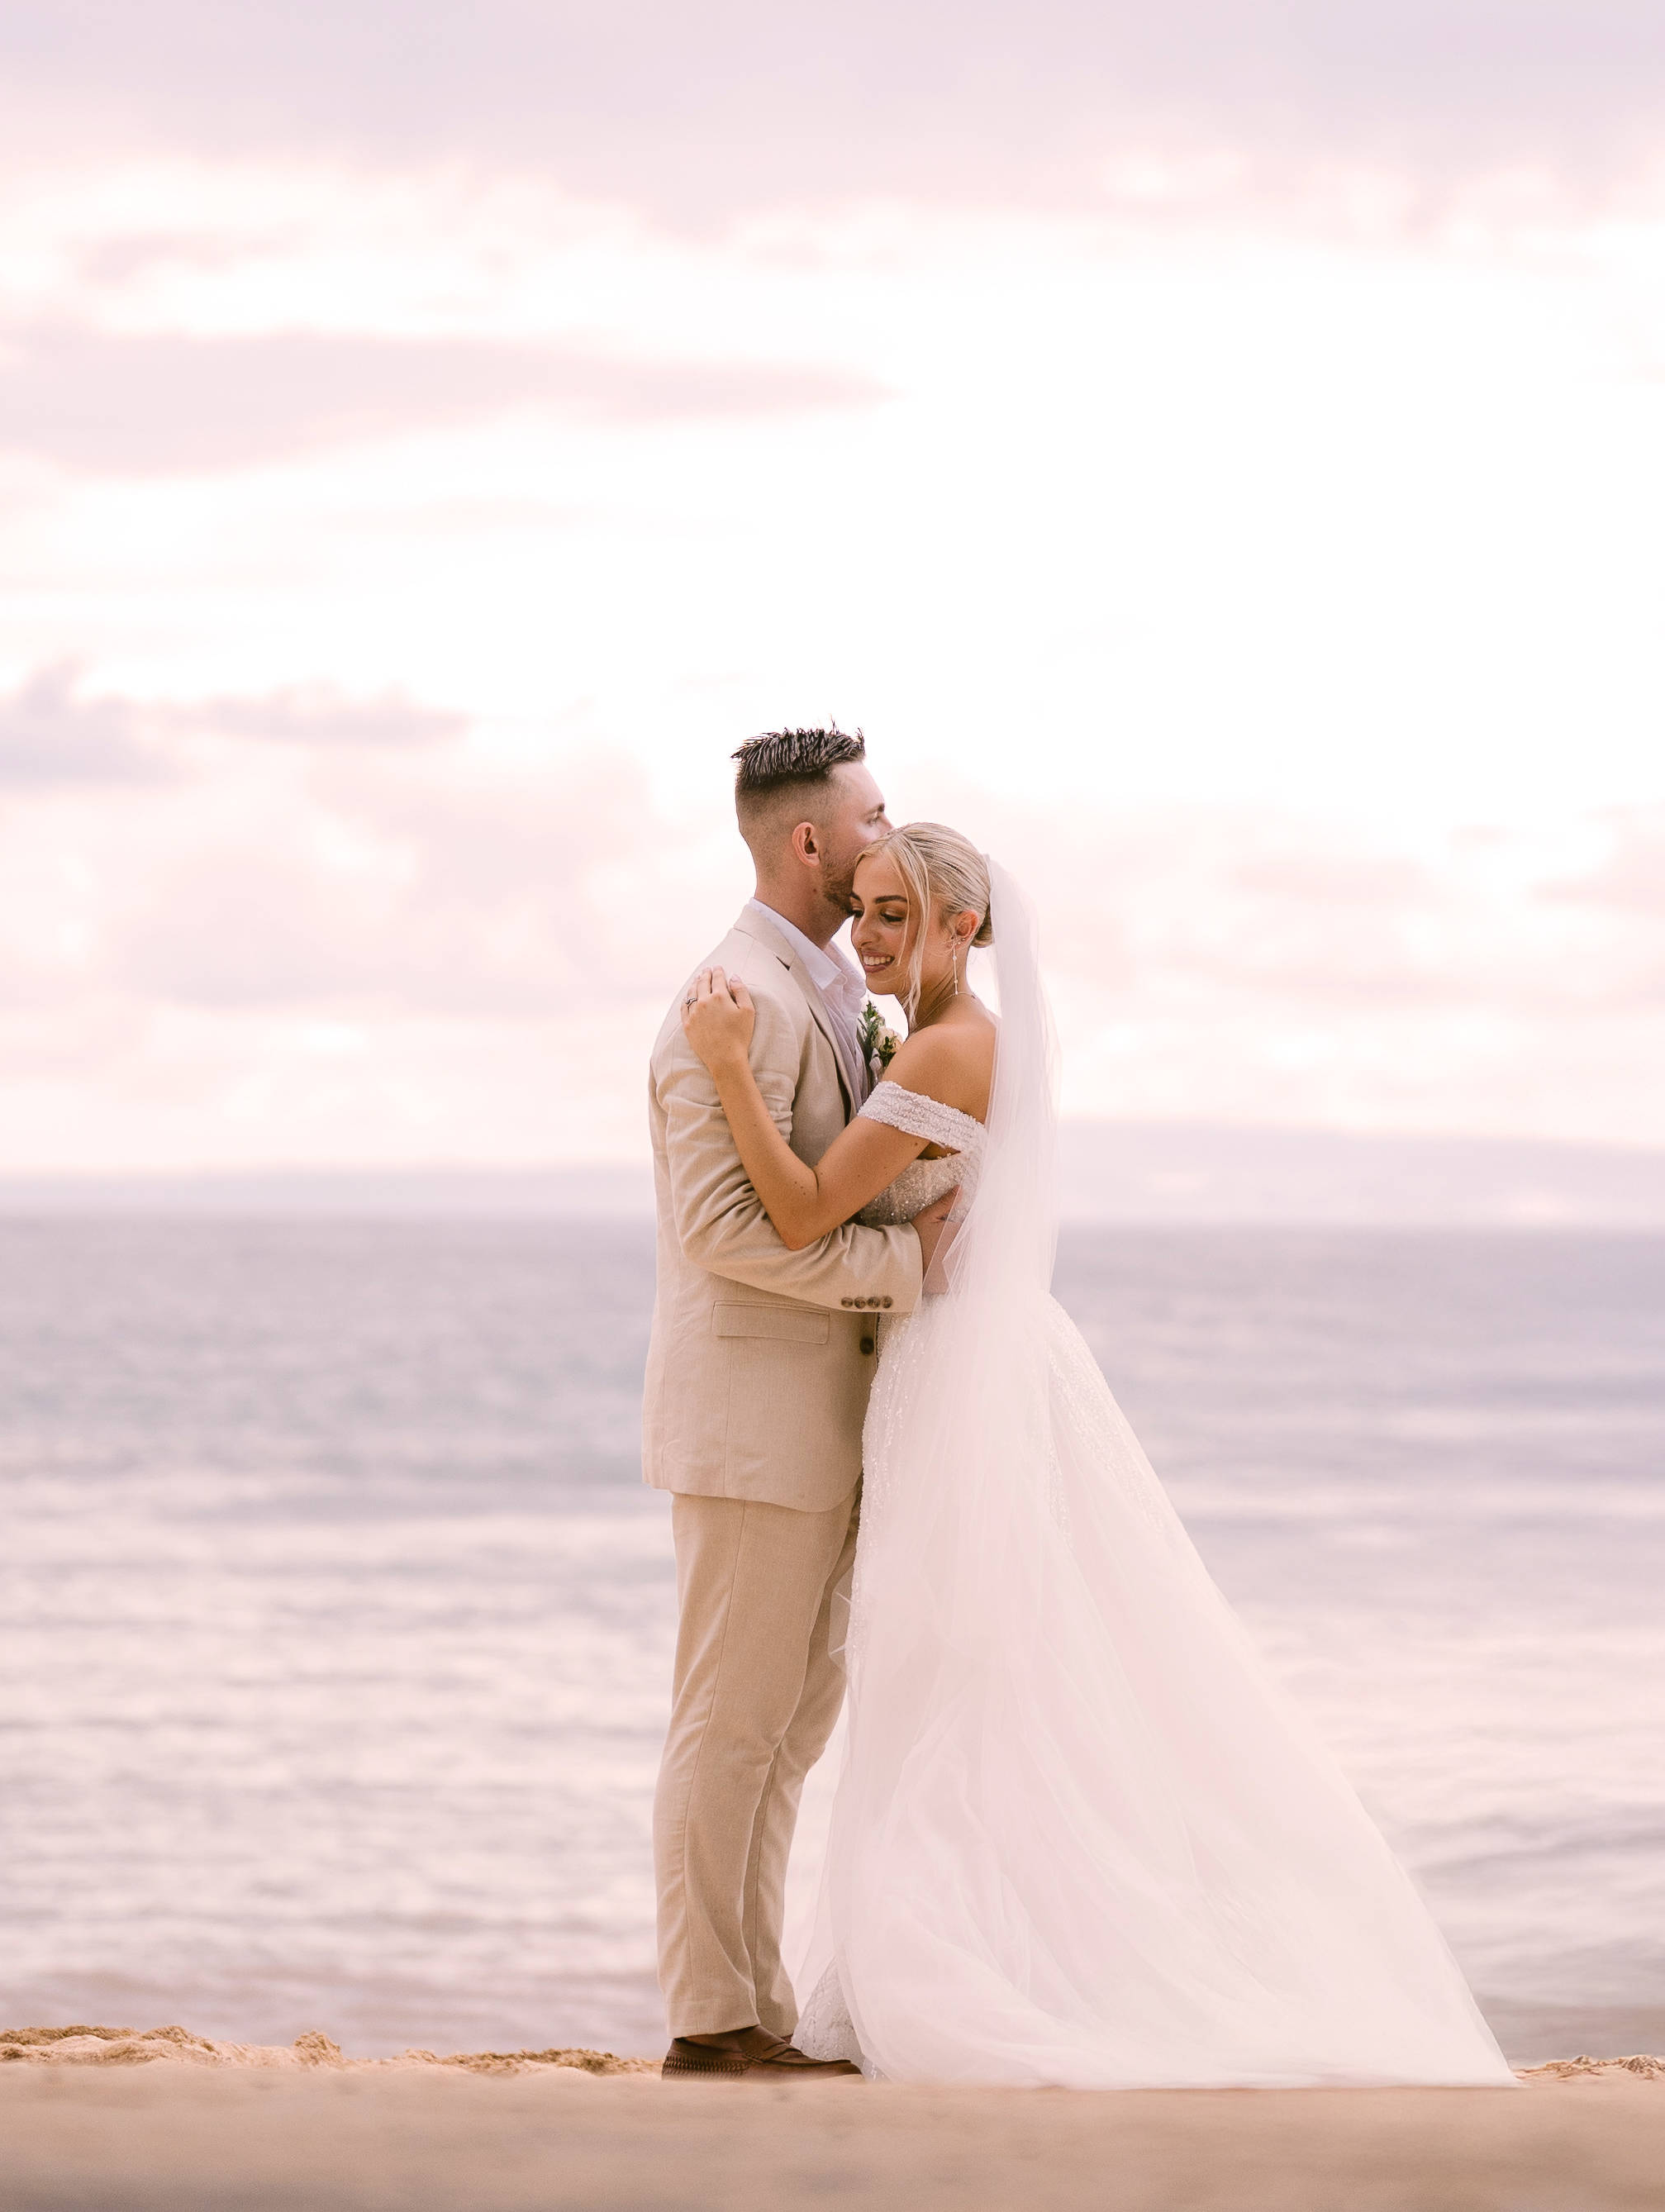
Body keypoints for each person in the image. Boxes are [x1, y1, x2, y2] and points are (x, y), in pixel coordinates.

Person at [680, 821, 1516, 2089]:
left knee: (960, 1673)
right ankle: (948, 1948)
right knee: (958, 1670)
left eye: (899, 912)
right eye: (863, 910)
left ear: (967, 926)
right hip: (955, 1365)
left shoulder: (955, 1047)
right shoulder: (941, 1037)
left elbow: (799, 1210)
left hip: (959, 1372)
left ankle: (971, 1959)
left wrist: (732, 1066)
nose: (872, 935)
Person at [637, 726, 953, 2080]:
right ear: (809, 841)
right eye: (874, 817)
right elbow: (723, 1230)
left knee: (789, 1729)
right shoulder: (734, 999)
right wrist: (903, 1264)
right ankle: (709, 2019)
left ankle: (753, 2006)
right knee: (728, 1722)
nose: (891, 833)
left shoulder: (827, 988)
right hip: (754, 1429)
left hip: (824, 1429)